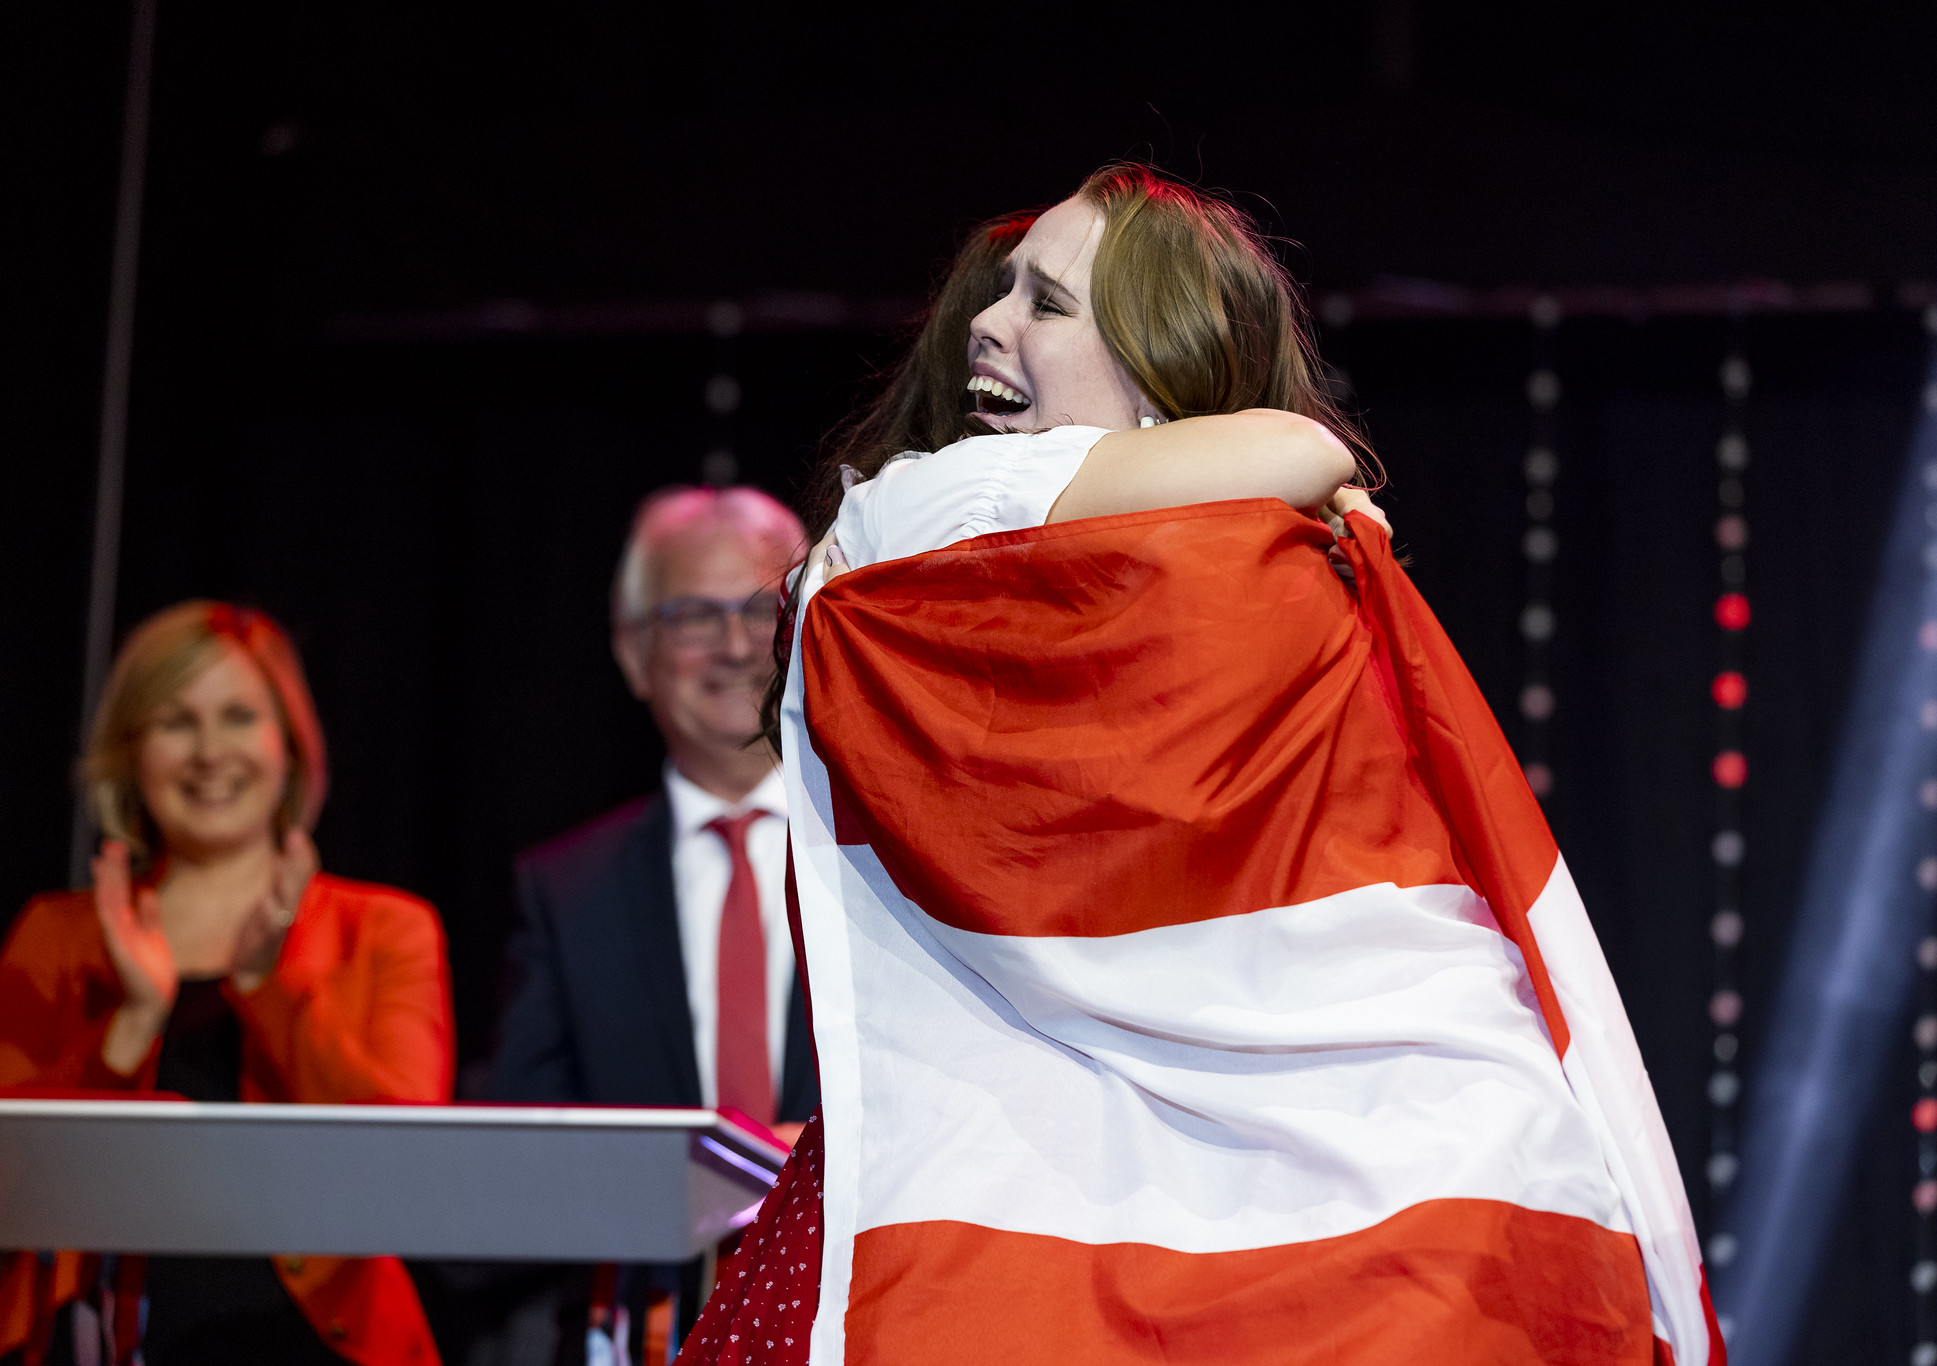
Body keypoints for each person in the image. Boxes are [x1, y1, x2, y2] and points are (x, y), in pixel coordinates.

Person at [682, 165, 1721, 1366]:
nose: (985, 320)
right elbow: (1294, 441)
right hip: (1010, 1172)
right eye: (1000, 291)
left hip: (1281, 1175)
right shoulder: (915, 514)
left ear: (1157, 377)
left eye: (1048, 305)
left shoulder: (1271, 579)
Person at [0, 601, 452, 1366]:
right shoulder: (55, 932)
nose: (210, 752)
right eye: (176, 722)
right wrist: (133, 1025)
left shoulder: (385, 928)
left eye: (239, 716)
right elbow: (17, 1181)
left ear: (289, 745)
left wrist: (268, 985)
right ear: (131, 751)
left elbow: (409, 1170)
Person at [483, 487, 817, 1352]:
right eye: (695, 617)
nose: (736, 645)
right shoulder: (565, 891)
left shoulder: (886, 861)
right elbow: (519, 1157)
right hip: (627, 1329)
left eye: (759, 610)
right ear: (635, 653)